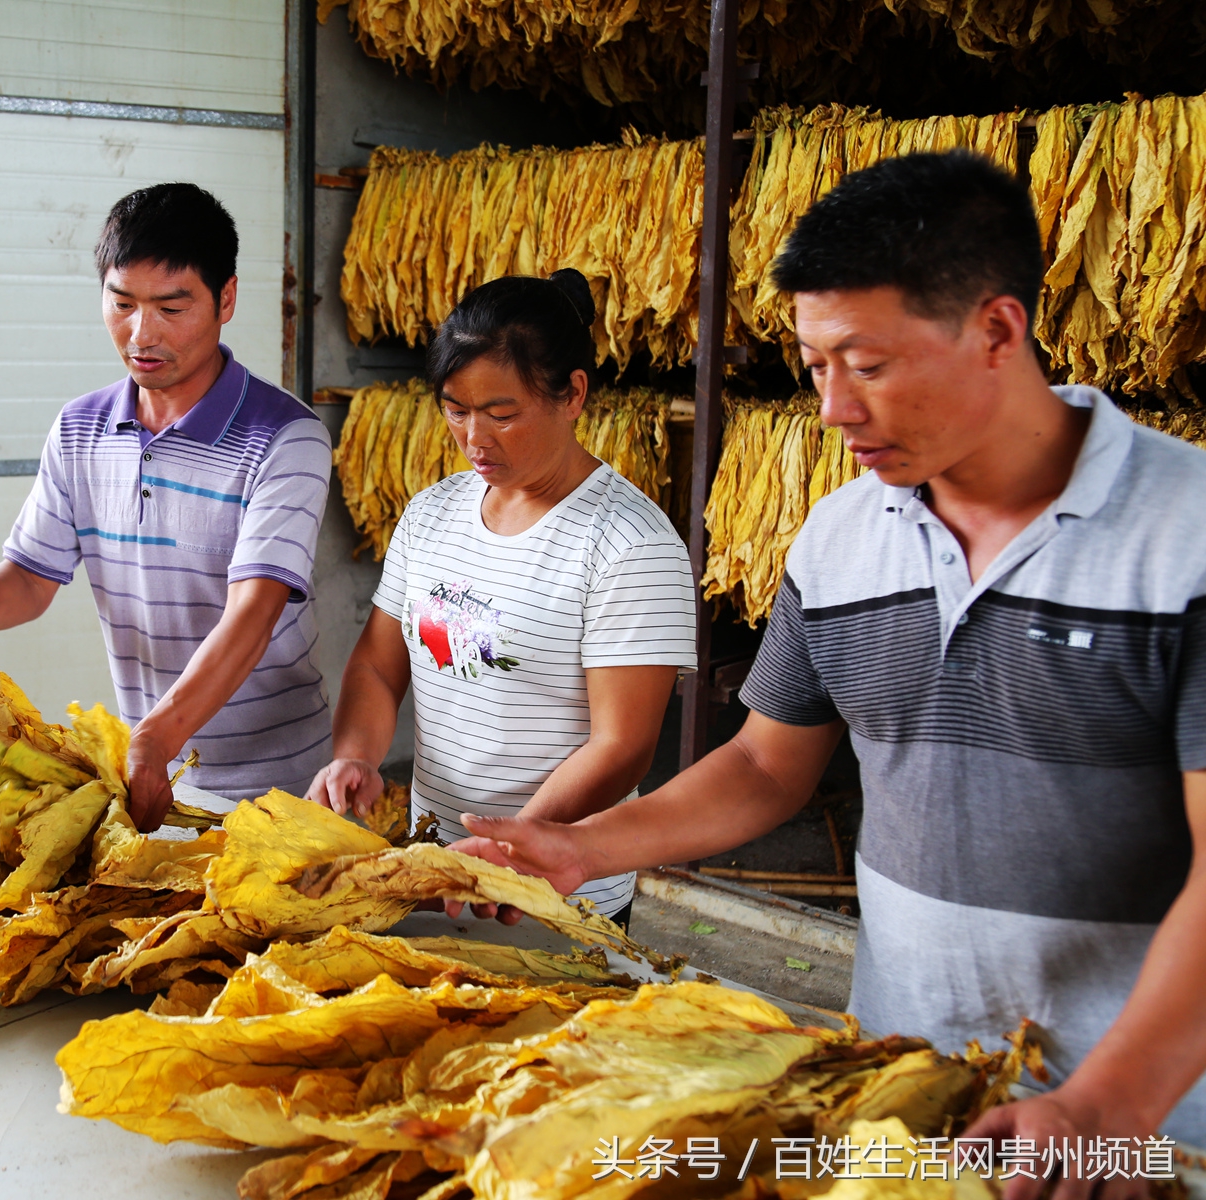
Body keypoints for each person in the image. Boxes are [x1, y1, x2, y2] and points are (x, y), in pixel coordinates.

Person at [458, 153, 1206, 1152]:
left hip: (1141, 1122)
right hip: (893, 1085)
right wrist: (582, 847)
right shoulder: (841, 537)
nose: (833, 407)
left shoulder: (1186, 538)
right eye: (816, 366)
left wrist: (1109, 1102)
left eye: (870, 363)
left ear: (997, 329)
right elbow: (769, 766)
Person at [0, 183, 334, 832]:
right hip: (147, 775)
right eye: (122, 302)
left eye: (171, 306)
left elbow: (253, 615)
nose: (142, 333)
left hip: (275, 785)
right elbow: (29, 580)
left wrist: (157, 737)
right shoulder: (80, 429)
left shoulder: (286, 437)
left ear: (226, 299)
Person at [306, 270, 697, 928]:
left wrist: (516, 842)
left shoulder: (628, 544)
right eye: (456, 409)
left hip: (555, 891)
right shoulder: (432, 513)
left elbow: (622, 743)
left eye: (502, 413)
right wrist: (356, 756)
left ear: (573, 393)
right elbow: (378, 663)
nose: (474, 437)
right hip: (434, 866)